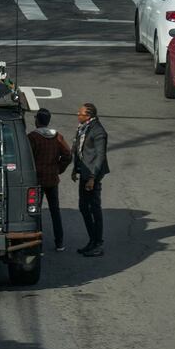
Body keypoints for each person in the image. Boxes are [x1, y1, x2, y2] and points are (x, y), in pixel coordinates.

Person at [26, 108, 73, 251]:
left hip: (37, 180)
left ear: (37, 121)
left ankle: (37, 244)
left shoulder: (32, 137)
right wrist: (58, 169)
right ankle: (59, 242)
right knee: (55, 211)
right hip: (52, 180)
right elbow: (68, 155)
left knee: (35, 212)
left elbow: (27, 158)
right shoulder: (57, 136)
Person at [70, 103, 109, 257]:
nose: (77, 115)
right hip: (85, 172)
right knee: (83, 206)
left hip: (93, 175)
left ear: (89, 116)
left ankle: (97, 243)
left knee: (93, 208)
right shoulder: (83, 127)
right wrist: (75, 169)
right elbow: (80, 151)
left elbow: (100, 156)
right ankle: (92, 240)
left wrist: (93, 177)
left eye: (80, 113)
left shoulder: (99, 131)